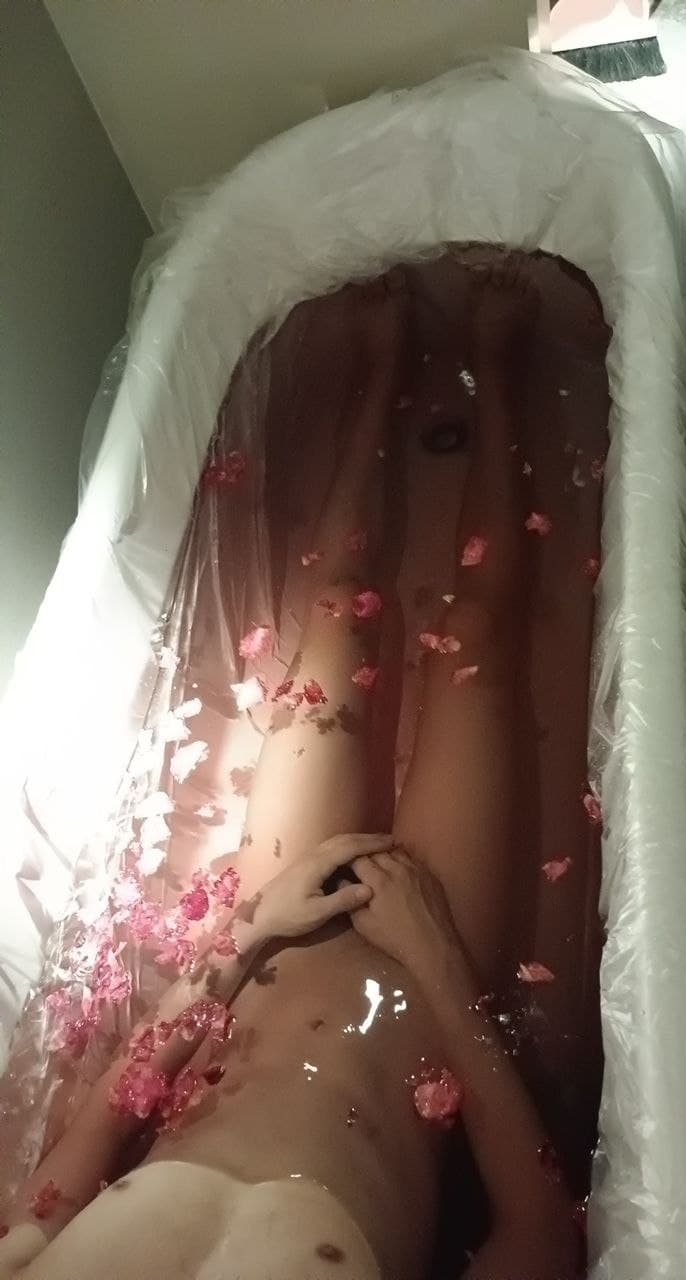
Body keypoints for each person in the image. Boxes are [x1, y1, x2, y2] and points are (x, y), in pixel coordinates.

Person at [0, 255, 607, 1280]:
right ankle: (501, 369)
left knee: (332, 618)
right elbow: (542, 1236)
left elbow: (99, 1126)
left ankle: (376, 382)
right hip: (428, 981)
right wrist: (436, 959)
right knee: (476, 638)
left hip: (271, 945)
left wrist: (241, 936)